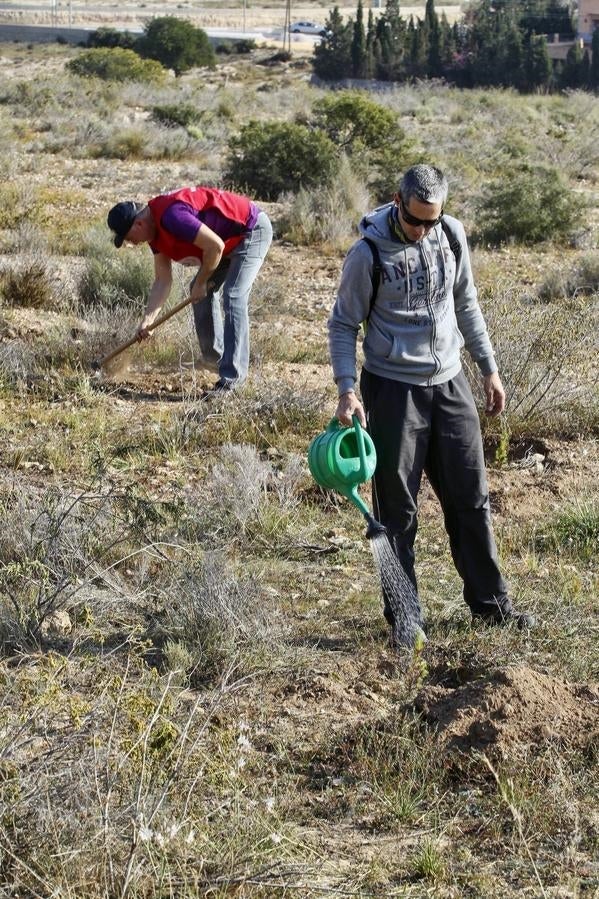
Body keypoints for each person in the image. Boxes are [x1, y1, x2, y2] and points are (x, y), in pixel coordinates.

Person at [327, 164, 534, 641]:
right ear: (396, 202)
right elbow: (342, 325)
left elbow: (467, 303)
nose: (422, 231)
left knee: (471, 498)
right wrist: (346, 389)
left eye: (432, 221)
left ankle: (491, 604)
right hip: (393, 389)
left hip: (451, 382)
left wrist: (490, 368)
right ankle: (404, 616)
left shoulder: (452, 235)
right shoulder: (368, 254)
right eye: (415, 220)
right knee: (396, 511)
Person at [107, 186, 272, 392]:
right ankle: (215, 360)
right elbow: (162, 280)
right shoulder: (154, 234)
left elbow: (215, 247)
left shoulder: (172, 216)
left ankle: (233, 380)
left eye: (129, 238)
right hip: (225, 244)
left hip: (250, 230)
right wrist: (148, 320)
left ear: (138, 223)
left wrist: (202, 283)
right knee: (198, 291)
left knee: (233, 295)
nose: (132, 243)